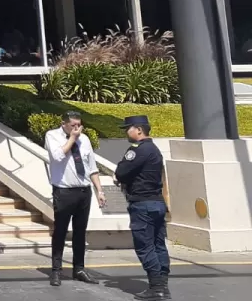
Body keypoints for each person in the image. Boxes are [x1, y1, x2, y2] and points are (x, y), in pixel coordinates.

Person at [44, 112, 105, 287]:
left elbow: (91, 166)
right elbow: (57, 156)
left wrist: (99, 190)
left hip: (83, 191)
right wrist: (72, 138)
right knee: (61, 231)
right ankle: (56, 270)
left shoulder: (84, 139)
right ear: (64, 124)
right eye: (73, 125)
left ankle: (79, 268)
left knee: (80, 231)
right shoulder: (52, 136)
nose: (77, 128)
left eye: (79, 125)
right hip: (64, 191)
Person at [114, 114, 171, 300]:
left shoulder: (138, 150)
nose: (126, 132)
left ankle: (156, 287)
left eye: (128, 128)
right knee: (158, 245)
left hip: (142, 204)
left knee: (145, 246)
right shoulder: (154, 149)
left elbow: (121, 172)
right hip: (157, 202)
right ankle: (162, 285)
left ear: (139, 129)